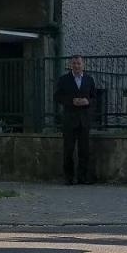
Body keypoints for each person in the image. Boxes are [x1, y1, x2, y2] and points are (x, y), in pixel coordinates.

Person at [53, 55, 99, 185]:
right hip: (69, 119)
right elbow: (57, 97)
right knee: (68, 150)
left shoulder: (89, 80)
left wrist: (87, 101)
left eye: (79, 63)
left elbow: (95, 98)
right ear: (70, 65)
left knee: (84, 150)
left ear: (83, 65)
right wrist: (71, 101)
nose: (76, 66)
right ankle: (68, 177)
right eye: (74, 63)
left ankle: (82, 177)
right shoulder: (64, 80)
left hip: (84, 120)